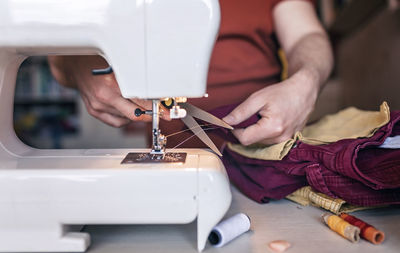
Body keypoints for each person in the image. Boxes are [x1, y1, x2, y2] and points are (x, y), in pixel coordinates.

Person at [48, 0, 333, 148]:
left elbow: (306, 37)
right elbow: (57, 58)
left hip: (267, 148)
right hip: (172, 162)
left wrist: (305, 81)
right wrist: (79, 63)